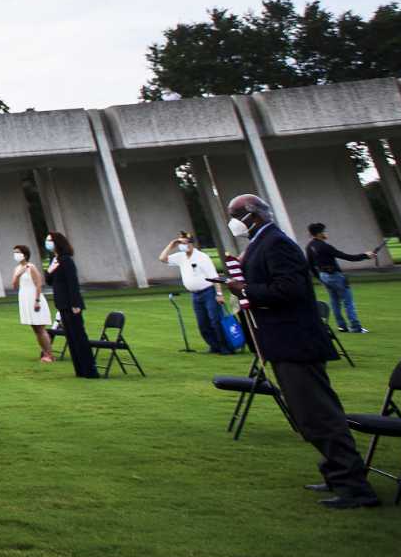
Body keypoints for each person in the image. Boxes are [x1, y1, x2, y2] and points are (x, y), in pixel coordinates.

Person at [218, 193, 378, 509]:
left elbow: (290, 289)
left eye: (235, 213)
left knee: (319, 414)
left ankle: (355, 486)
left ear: (253, 214)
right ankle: (336, 473)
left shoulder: (276, 243)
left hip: (294, 340)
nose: (232, 220)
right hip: (280, 340)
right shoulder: (260, 242)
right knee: (307, 415)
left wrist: (244, 289)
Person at [159, 231, 233, 352]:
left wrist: (219, 294)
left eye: (185, 243)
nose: (182, 245)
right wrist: (172, 244)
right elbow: (162, 258)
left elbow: (214, 276)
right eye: (180, 243)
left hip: (209, 291)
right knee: (202, 323)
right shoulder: (180, 257)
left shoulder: (201, 257)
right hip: (195, 294)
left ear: (191, 243)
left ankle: (225, 347)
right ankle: (214, 346)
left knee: (216, 320)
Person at [43, 231, 98, 378]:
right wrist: (49, 270)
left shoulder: (66, 260)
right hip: (61, 304)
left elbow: (72, 283)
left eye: (50, 240)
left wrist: (75, 303)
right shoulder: (54, 260)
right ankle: (80, 370)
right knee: (72, 338)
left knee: (79, 337)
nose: (48, 243)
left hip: (70, 304)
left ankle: (90, 371)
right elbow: (49, 281)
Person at [305, 223, 373, 333]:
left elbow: (310, 265)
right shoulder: (325, 247)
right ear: (318, 234)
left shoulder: (310, 247)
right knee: (348, 302)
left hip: (324, 276)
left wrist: (320, 278)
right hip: (335, 276)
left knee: (335, 302)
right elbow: (347, 257)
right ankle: (356, 327)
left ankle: (341, 326)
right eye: (324, 231)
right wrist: (365, 255)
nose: (325, 233)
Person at [11, 244, 54, 362]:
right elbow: (14, 285)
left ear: (25, 254)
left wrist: (37, 300)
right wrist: (18, 274)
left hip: (34, 297)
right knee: (35, 329)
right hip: (24, 297)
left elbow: (38, 284)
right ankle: (45, 352)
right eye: (14, 252)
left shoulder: (31, 267)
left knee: (40, 328)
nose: (16, 255)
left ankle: (49, 354)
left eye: (18, 252)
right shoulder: (17, 268)